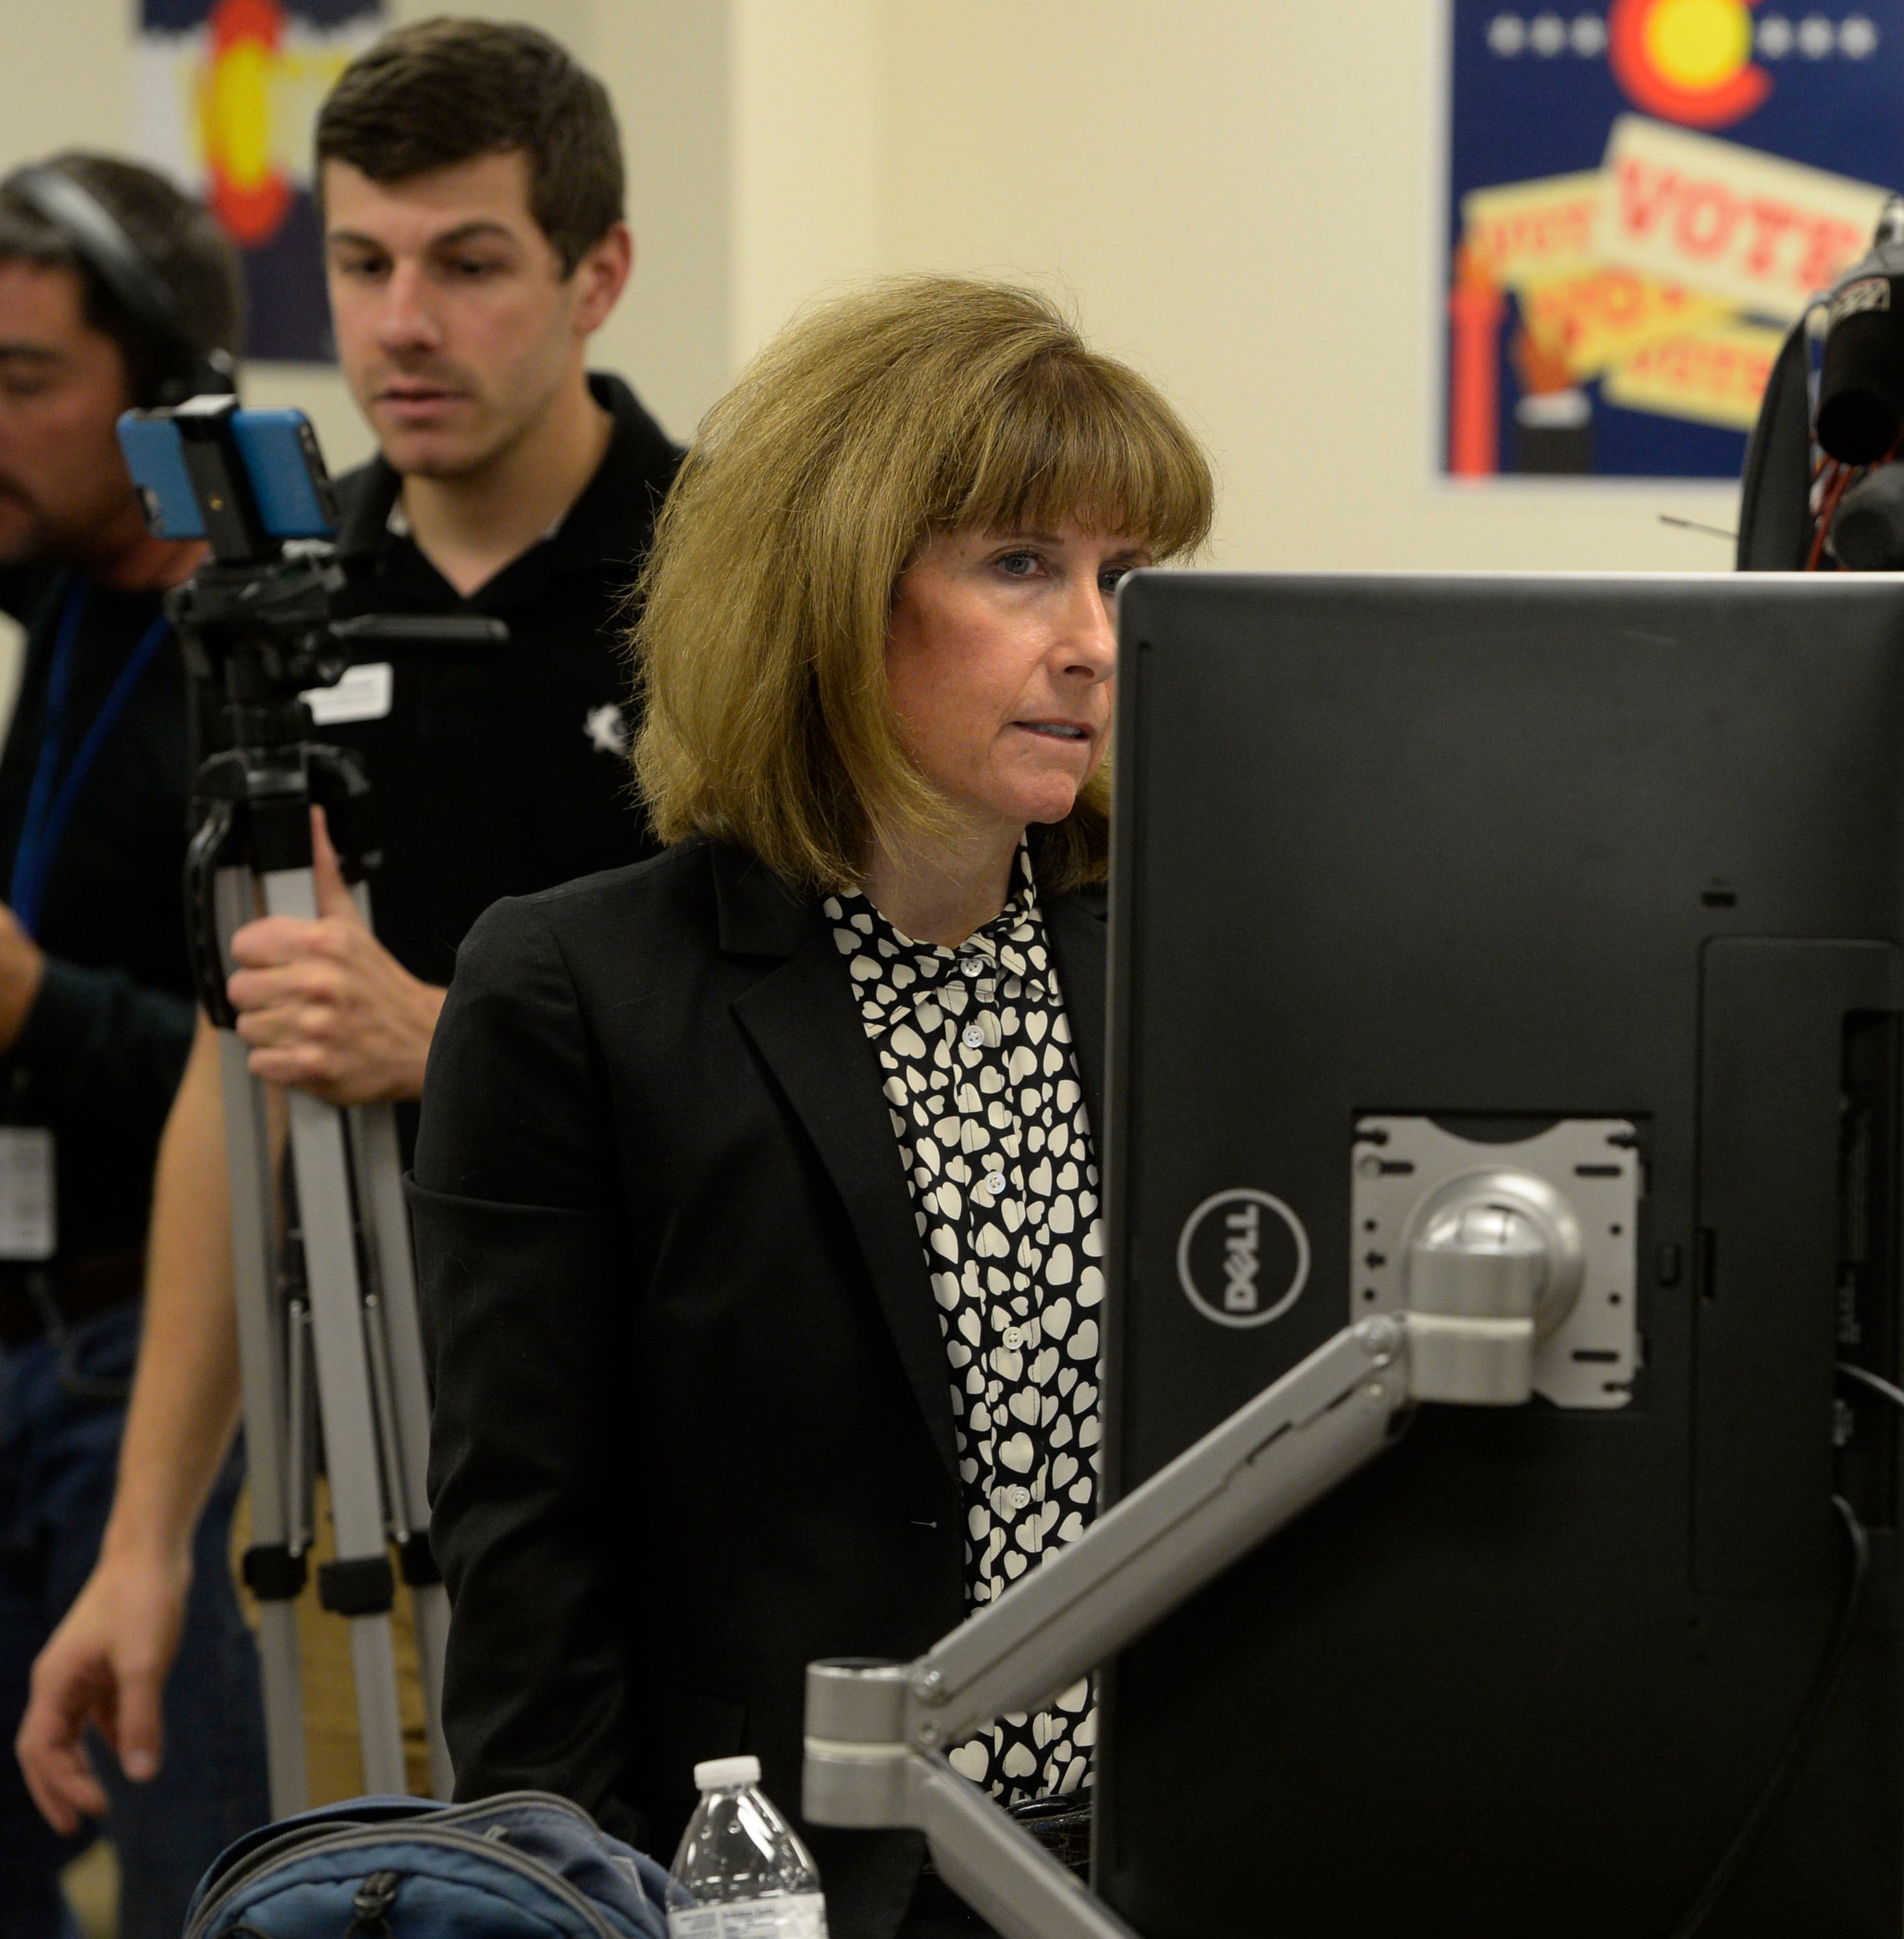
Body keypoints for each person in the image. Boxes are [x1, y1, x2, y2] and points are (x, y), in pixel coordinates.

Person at [406, 274, 1211, 1939]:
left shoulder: (1183, 965)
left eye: (1124, 578)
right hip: (777, 1885)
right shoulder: (578, 991)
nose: (1093, 639)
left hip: (1144, 1858)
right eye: (1019, 565)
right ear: (834, 589)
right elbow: (526, 1553)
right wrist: (574, 1904)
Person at [18, 18, 677, 1834]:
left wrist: (455, 1037)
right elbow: (238, 1075)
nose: (402, 323)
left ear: (596, 272)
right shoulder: (270, 619)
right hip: (343, 1470)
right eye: (364, 263)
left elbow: (797, 1060)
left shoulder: (717, 587)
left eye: (469, 264)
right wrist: (148, 1537)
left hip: (663, 1472)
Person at [0, 152, 266, 1939]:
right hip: (22, 1334)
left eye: (26, 383)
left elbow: (253, 1060)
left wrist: (33, 1009)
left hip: (144, 1381)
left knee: (199, 1893)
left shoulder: (241, 665)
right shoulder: (72, 602)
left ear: (164, 393)